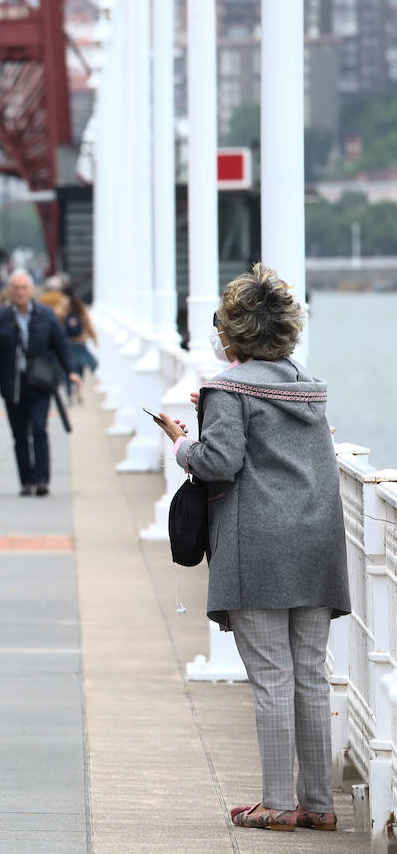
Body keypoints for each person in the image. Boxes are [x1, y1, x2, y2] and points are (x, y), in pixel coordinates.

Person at [156, 265, 348, 832]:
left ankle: (277, 804)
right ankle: (319, 803)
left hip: (259, 545)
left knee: (270, 676)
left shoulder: (227, 389)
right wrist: (212, 410)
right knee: (310, 674)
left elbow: (220, 462)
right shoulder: (304, 383)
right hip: (317, 540)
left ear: (233, 331)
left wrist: (183, 443)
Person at [0, 270, 80, 497]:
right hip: (12, 384)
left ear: (31, 291)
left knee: (39, 428)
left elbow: (61, 345)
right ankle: (26, 480)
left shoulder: (47, 316)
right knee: (20, 434)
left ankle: (41, 480)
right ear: (10, 291)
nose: (20, 292)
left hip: (40, 383)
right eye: (16, 288)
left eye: (24, 288)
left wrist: (72, 371)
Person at [62, 290, 98, 401]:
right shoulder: (81, 308)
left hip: (67, 344)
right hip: (80, 343)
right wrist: (94, 337)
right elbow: (88, 323)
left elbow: (57, 324)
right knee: (80, 369)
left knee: (67, 369)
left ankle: (69, 393)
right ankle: (77, 388)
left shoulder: (62, 308)